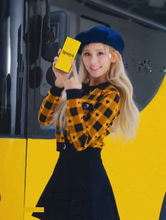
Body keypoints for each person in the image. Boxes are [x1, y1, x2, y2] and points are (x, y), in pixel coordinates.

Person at [32, 26, 140, 220]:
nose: (93, 61)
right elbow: (44, 118)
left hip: (87, 176)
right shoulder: (78, 88)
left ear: (113, 57)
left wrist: (73, 92)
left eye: (100, 53)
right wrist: (59, 83)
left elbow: (81, 141)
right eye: (87, 54)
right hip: (63, 170)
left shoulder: (111, 94)